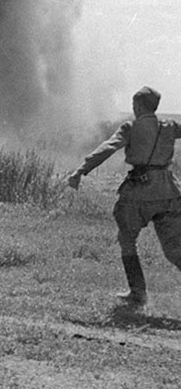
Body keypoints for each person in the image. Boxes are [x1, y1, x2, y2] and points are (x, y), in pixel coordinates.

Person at [67, 85, 181, 306]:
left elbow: (107, 148)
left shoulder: (131, 127)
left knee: (127, 240)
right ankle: (137, 294)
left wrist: (81, 170)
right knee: (175, 250)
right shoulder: (170, 126)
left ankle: (137, 294)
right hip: (168, 192)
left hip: (139, 192)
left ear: (137, 105)